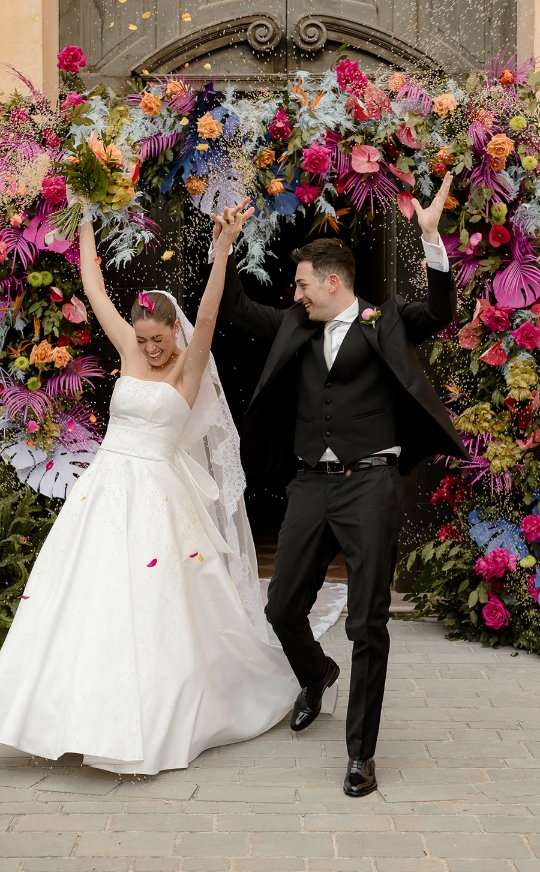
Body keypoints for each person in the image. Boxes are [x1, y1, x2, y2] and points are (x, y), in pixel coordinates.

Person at [0, 199, 302, 775]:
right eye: (141, 339)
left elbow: (208, 314)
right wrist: (84, 221)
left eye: (157, 338)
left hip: (160, 498)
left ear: (173, 331)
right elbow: (94, 288)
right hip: (104, 489)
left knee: (154, 605)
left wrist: (222, 251)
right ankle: (64, 714)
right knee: (87, 595)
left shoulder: (189, 364)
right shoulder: (129, 348)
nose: (149, 348)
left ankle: (153, 718)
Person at [212, 172, 467, 797]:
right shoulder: (294, 325)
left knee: (367, 623)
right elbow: (236, 308)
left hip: (371, 484)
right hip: (310, 483)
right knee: (281, 606)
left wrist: (430, 238)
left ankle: (360, 755)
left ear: (332, 282)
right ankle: (315, 672)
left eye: (302, 283)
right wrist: (224, 252)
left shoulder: (386, 321)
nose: (294, 293)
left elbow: (440, 310)